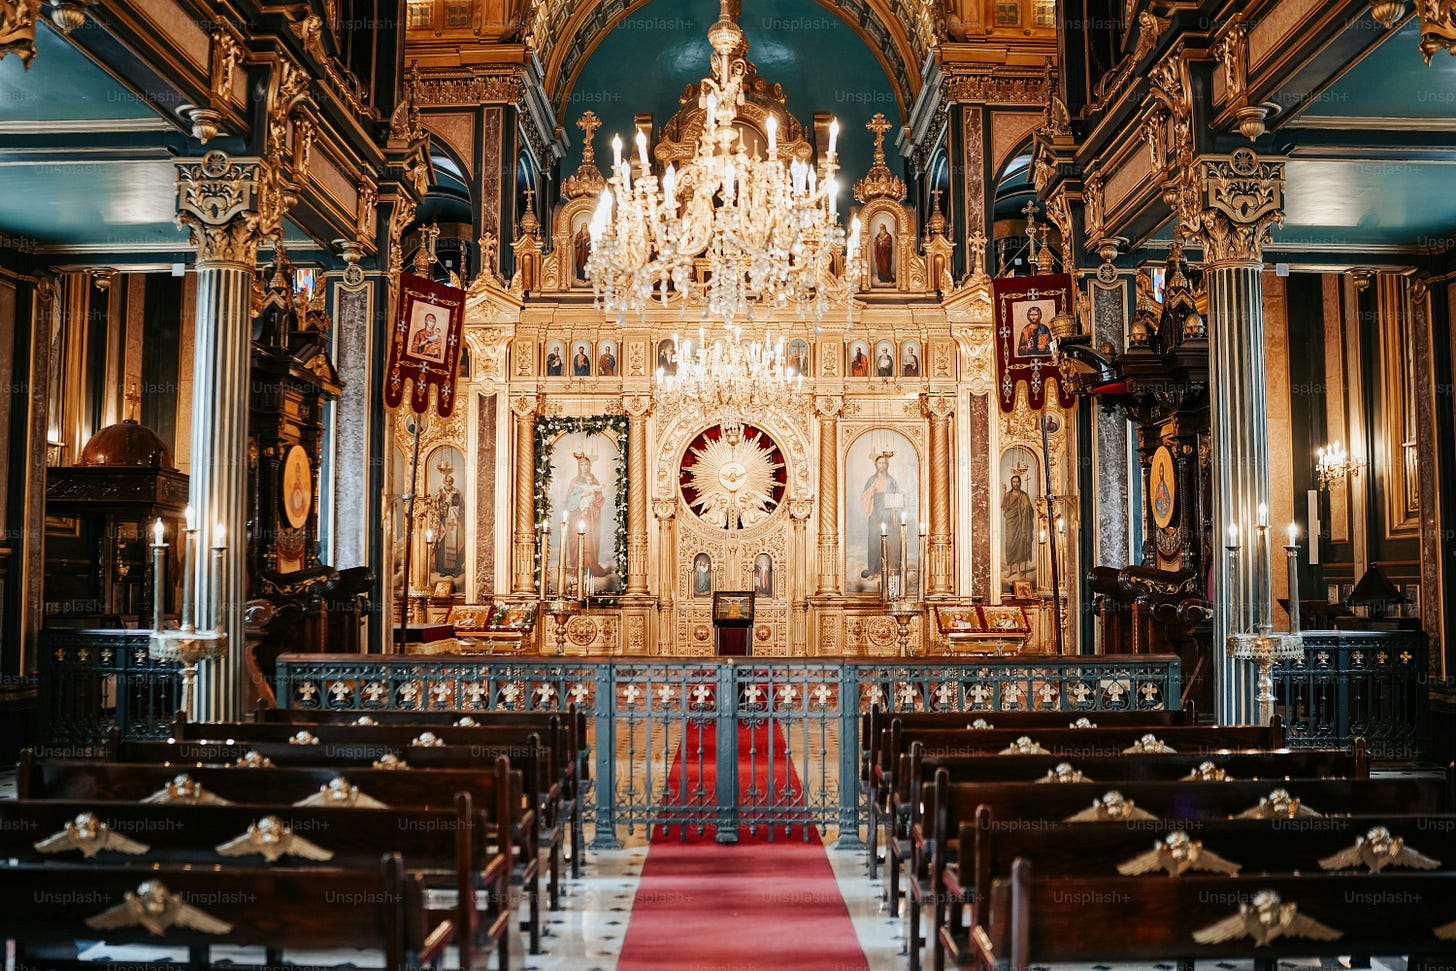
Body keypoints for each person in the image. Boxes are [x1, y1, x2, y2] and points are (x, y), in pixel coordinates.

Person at [562, 452, 606, 581]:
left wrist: (591, 503)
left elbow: (599, 497)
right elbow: (568, 500)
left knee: (590, 539)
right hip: (576, 515)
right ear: (579, 467)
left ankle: (591, 564)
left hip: (590, 516)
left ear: (590, 466)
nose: (585, 467)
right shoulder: (574, 481)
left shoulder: (594, 480)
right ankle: (576, 565)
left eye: (587, 464)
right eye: (582, 465)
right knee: (576, 538)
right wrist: (580, 497)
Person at [859, 452, 901, 583]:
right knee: (873, 540)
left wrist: (894, 511)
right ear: (875, 465)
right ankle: (873, 570)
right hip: (875, 512)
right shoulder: (871, 480)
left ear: (887, 465)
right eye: (879, 463)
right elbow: (864, 496)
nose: (882, 465)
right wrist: (870, 493)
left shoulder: (892, 481)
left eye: (884, 463)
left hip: (888, 513)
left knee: (891, 540)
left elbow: (896, 497)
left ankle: (890, 569)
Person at [1002, 474, 1036, 585]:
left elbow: (1030, 511)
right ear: (1012, 483)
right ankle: (1010, 569)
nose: (1015, 483)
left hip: (1021, 524)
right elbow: (1004, 507)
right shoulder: (1008, 494)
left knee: (1020, 545)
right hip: (1011, 523)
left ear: (1020, 483)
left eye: (1017, 481)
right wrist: (1004, 492)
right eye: (1014, 482)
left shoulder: (1024, 495)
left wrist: (1027, 507)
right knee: (1010, 544)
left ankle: (1018, 569)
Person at [432, 464, 465, 577]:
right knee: (442, 544)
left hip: (455, 521)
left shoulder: (457, 492)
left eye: (451, 482)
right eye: (447, 482)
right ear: (444, 482)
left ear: (453, 482)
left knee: (456, 544)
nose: (449, 484)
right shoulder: (439, 493)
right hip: (444, 520)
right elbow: (435, 506)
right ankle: (443, 570)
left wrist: (455, 511)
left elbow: (461, 506)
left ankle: (455, 570)